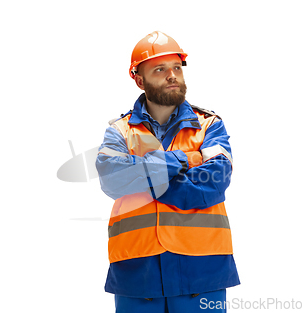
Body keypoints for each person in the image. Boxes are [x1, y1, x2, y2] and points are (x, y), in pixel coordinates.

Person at [95, 31, 239, 313]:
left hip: (202, 269)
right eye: (159, 69)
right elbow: (112, 179)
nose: (172, 75)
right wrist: (182, 159)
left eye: (176, 67)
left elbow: (213, 184)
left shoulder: (209, 125)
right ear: (139, 79)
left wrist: (140, 177)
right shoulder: (119, 131)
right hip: (137, 271)